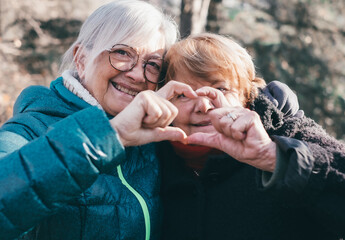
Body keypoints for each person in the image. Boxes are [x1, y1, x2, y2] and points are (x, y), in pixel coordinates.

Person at [0, 1, 200, 239]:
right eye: (122, 53)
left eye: (153, 65)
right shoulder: (31, 129)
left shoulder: (154, 139)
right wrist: (109, 136)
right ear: (81, 59)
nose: (137, 74)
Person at [157, 32, 345, 240]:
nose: (203, 105)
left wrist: (274, 158)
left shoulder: (288, 131)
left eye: (220, 89)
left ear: (246, 95)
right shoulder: (152, 158)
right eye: (183, 94)